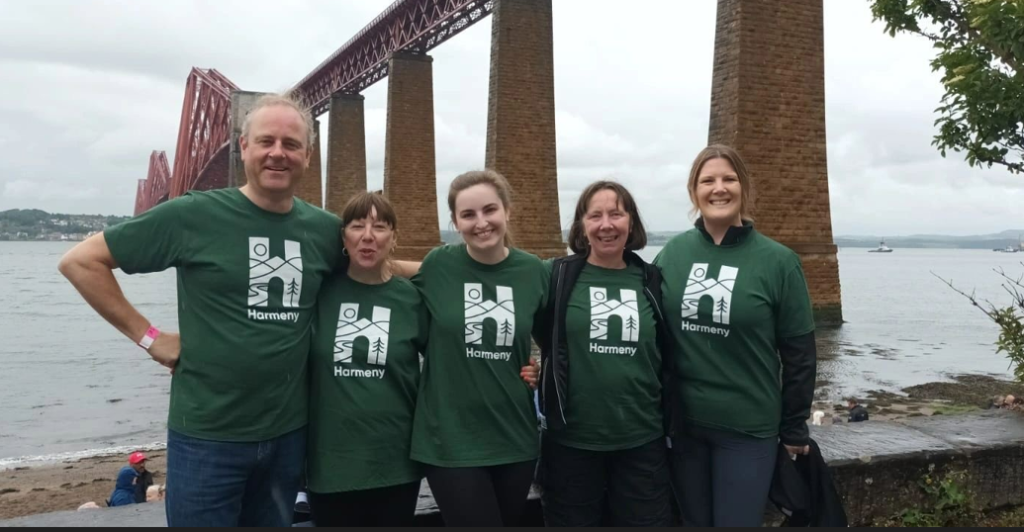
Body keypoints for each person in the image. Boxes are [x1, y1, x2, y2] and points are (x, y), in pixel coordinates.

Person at [58, 93, 341, 527]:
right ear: (243, 147)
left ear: (308, 153)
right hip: (208, 439)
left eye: (291, 143)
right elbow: (80, 261)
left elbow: (378, 269)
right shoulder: (193, 215)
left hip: (289, 437)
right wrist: (151, 338)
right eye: (266, 141)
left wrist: (470, 263)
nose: (278, 153)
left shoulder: (324, 230)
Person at [654, 145, 817, 527]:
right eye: (707, 180)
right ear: (694, 191)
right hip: (685, 428)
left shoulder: (778, 262)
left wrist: (794, 425)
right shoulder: (673, 254)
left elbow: (800, 354)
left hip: (748, 429)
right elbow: (649, 333)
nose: (719, 188)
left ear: (744, 187)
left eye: (728, 179)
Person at [410, 170, 548, 526]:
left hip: (515, 437)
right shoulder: (439, 264)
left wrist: (543, 369)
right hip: (450, 440)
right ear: (455, 221)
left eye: (490, 210)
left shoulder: (534, 272)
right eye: (468, 215)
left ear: (507, 211)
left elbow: (562, 340)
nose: (481, 222)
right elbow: (383, 272)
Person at [535, 181, 674, 526]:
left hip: (642, 441)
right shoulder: (556, 276)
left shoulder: (653, 280)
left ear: (631, 222)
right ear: (582, 226)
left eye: (616, 213)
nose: (606, 224)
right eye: (595, 215)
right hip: (571, 442)